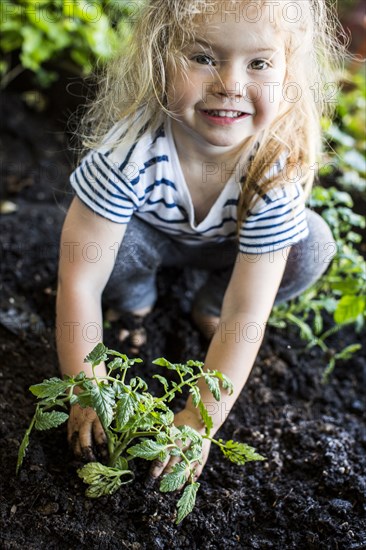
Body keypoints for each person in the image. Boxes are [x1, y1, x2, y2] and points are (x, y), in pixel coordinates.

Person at [56, 0, 347, 482]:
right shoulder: (129, 154)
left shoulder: (272, 172)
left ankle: (206, 303)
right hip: (147, 241)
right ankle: (134, 302)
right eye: (203, 57)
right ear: (159, 56)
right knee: (103, 249)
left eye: (259, 63)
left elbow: (247, 314)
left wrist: (198, 421)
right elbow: (80, 281)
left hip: (226, 256)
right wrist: (85, 387)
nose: (230, 84)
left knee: (313, 244)